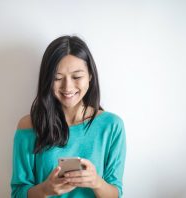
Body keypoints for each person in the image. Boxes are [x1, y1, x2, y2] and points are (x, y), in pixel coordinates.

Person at [10, 35, 126, 198]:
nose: (67, 87)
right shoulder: (29, 125)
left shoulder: (111, 126)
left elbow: (116, 194)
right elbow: (17, 193)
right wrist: (46, 189)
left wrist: (96, 182)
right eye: (57, 78)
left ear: (90, 76)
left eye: (77, 77)